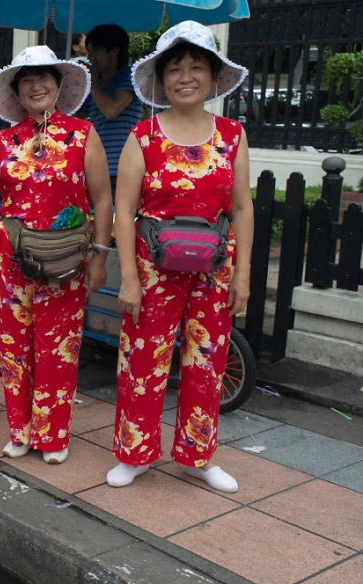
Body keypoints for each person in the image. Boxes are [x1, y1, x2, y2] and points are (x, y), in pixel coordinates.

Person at [106, 21, 253, 492]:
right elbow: (125, 209)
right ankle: (135, 453)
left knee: (207, 363)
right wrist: (129, 277)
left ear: (212, 76)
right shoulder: (144, 135)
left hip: (215, 269)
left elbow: (242, 207)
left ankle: (198, 456)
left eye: (196, 67)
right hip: (152, 269)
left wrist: (243, 275)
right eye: (175, 68)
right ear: (161, 79)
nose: (185, 77)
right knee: (142, 361)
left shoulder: (232, 135)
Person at [0, 46, 113, 463]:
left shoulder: (83, 133)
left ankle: (53, 435)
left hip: (67, 257)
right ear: (17, 92)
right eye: (27, 80)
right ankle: (20, 430)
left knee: (60, 346)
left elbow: (103, 199)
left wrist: (100, 256)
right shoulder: (5, 140)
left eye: (44, 77)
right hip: (13, 258)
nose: (36, 86)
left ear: (58, 84)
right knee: (15, 344)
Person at [83, 24, 143, 194]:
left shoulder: (129, 76)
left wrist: (92, 82)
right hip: (96, 167)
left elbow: (111, 110)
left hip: (123, 168)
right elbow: (77, 117)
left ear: (114, 51)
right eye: (89, 53)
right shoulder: (97, 84)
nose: (90, 58)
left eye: (94, 51)